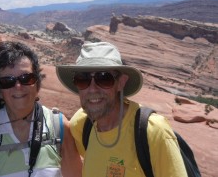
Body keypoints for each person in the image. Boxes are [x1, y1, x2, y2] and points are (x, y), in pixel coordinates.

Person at [0, 41, 82, 177]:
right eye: (8, 81)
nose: (18, 87)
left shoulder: (58, 127)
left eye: (26, 78)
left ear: (37, 83)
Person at [56, 41, 187, 177]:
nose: (93, 89)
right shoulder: (81, 125)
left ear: (121, 83)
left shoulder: (153, 132)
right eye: (82, 79)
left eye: (104, 78)